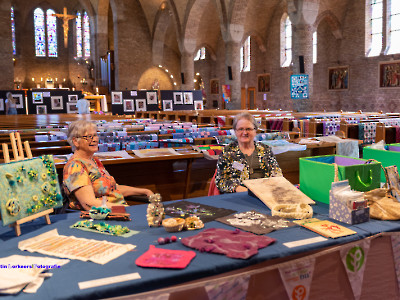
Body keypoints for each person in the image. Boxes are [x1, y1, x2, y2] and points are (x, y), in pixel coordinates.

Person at [63, 120, 154, 210]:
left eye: (95, 135)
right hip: (103, 216)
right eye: (89, 137)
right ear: (75, 141)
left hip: (119, 210)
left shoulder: (94, 160)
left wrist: (144, 191)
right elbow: (89, 203)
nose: (94, 139)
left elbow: (113, 189)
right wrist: (125, 209)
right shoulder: (75, 166)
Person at [215, 112, 282, 193]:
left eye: (248, 129)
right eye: (241, 129)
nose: (245, 133)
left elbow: (276, 173)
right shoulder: (227, 152)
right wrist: (237, 188)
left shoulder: (265, 149)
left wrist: (270, 186)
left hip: (264, 192)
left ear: (255, 131)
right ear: (235, 132)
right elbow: (220, 181)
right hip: (238, 196)